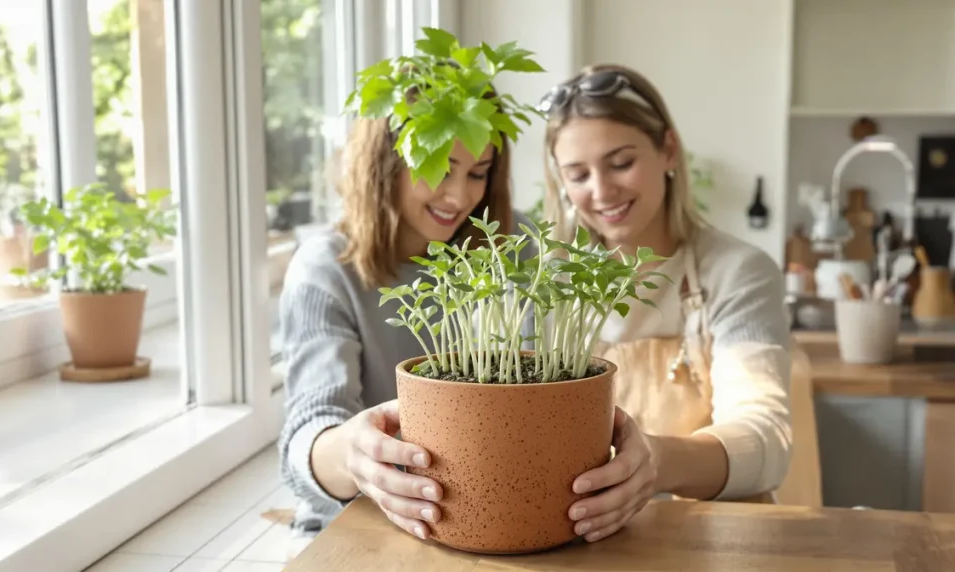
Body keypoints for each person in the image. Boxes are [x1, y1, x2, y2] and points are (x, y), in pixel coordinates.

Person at [538, 63, 793, 542]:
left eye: (621, 163)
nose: (601, 191)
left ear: (668, 150)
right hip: (582, 540)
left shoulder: (738, 272)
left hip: (718, 541)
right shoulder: (547, 285)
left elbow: (767, 440)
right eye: (578, 174)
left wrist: (654, 462)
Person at [277, 103, 532, 540]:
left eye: (478, 172)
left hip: (493, 519)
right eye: (437, 167)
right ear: (383, 162)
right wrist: (353, 456)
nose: (458, 196)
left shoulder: (515, 247)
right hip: (360, 528)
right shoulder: (326, 269)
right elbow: (307, 439)